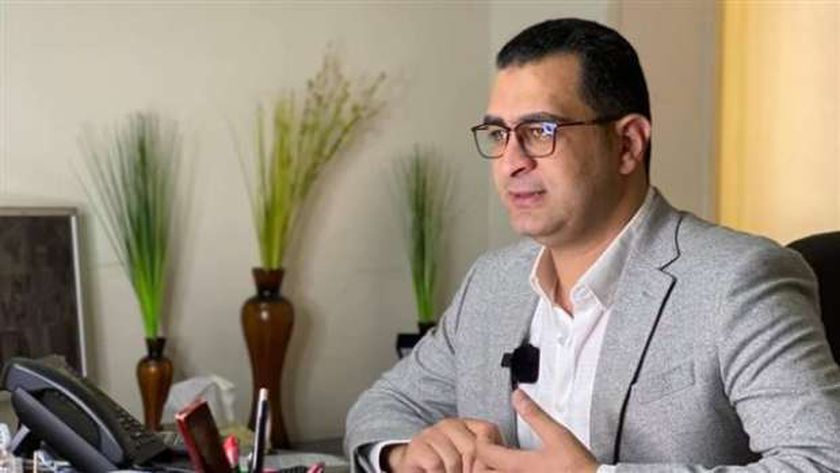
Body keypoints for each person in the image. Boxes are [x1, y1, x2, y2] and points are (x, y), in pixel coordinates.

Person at [345, 18, 840, 473]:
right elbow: (383, 407)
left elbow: (822, 460)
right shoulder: (491, 283)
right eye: (498, 133)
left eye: (540, 130)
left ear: (627, 144)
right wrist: (406, 453)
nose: (511, 162)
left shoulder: (737, 281)